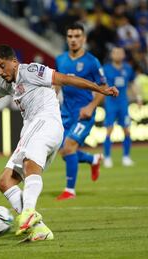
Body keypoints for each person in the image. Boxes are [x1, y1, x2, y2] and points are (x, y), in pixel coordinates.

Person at [0, 44, 118, 241]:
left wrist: (99, 89)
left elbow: (66, 79)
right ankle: (39, 229)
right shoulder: (8, 85)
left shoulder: (30, 70)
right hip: (33, 130)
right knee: (5, 182)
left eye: (2, 66)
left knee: (29, 162)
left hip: (46, 122)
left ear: (14, 62)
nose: (0, 71)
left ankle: (29, 212)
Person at [55, 23, 108, 201]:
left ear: (84, 39)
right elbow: (57, 82)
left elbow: (103, 87)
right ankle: (93, 160)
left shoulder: (92, 61)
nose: (73, 40)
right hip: (65, 113)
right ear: (66, 39)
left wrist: (91, 107)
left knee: (69, 146)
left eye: (77, 36)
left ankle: (70, 191)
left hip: (84, 113)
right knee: (63, 152)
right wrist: (53, 101)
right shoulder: (60, 59)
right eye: (70, 36)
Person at [103, 47, 138, 168]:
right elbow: (101, 84)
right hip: (110, 103)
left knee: (127, 130)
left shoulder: (128, 68)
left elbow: (132, 83)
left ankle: (126, 157)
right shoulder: (106, 69)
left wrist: (138, 97)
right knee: (109, 129)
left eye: (120, 52)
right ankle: (107, 157)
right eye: (115, 52)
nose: (117, 54)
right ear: (111, 55)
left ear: (123, 55)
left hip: (123, 103)